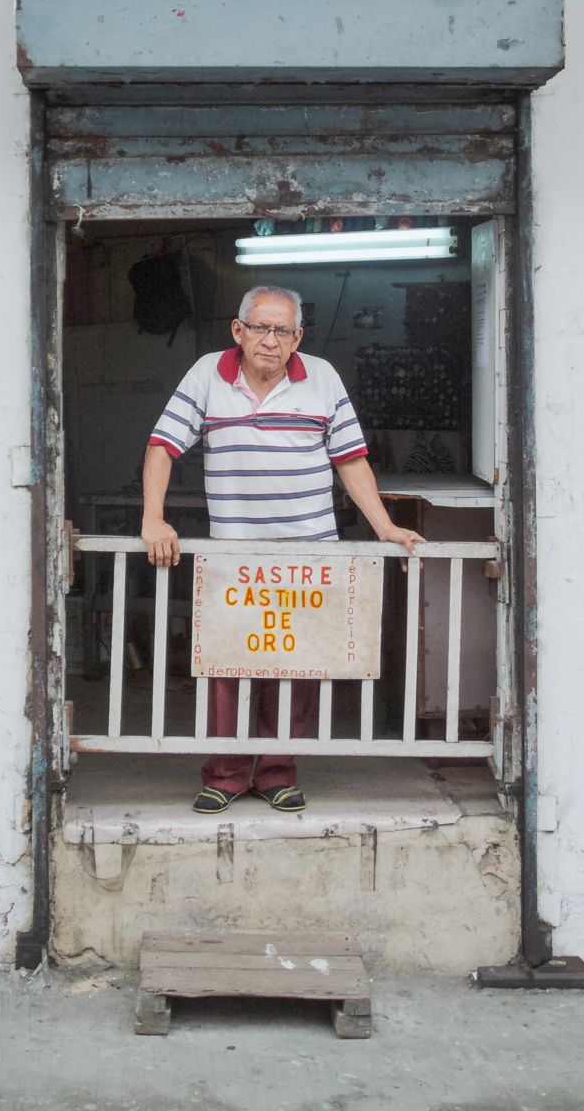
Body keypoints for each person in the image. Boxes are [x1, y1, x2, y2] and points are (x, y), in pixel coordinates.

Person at [141, 284, 424, 814]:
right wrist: (152, 519)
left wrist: (384, 525)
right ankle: (224, 774)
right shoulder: (207, 373)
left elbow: (350, 459)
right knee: (227, 667)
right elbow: (163, 446)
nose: (270, 340)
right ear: (238, 330)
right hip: (234, 555)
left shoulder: (322, 377)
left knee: (296, 667)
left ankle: (276, 772)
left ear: (298, 337)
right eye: (260, 328)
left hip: (308, 553)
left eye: (283, 331)